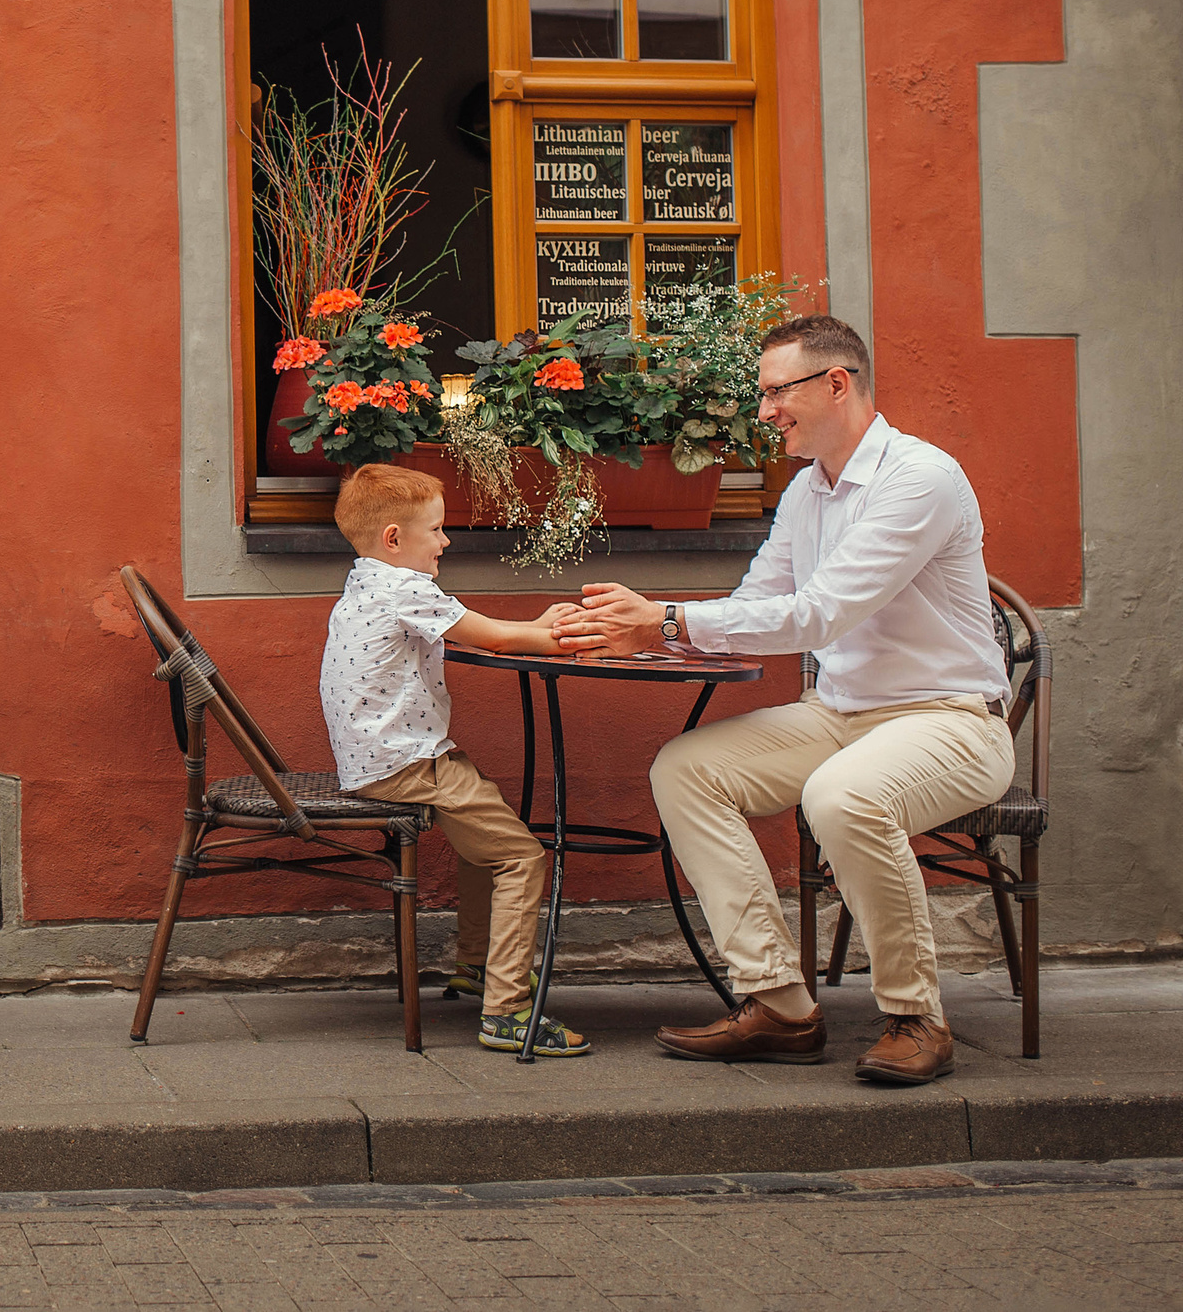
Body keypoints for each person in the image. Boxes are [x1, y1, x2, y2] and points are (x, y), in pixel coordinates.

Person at [554, 315, 1012, 1085]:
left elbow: (820, 612)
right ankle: (780, 1003)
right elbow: (758, 605)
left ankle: (914, 1016)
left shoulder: (920, 477)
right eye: (762, 393)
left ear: (837, 383)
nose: (764, 411)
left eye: (777, 392)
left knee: (844, 797)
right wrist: (642, 634)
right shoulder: (807, 490)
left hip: (950, 721)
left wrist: (663, 617)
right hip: (842, 714)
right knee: (686, 768)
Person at [324, 464, 591, 1057]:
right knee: (523, 857)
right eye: (438, 530)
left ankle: (476, 963)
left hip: (377, 761)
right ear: (395, 538)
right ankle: (507, 1012)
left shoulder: (365, 582)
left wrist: (531, 628)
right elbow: (493, 637)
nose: (446, 541)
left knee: (485, 845)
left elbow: (493, 631)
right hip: (408, 764)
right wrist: (561, 631)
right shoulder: (404, 587)